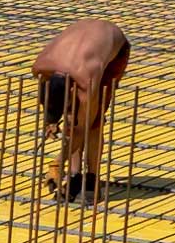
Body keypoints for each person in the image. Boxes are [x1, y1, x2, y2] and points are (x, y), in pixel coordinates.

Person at [33, 17, 132, 203]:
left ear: (73, 89)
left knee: (92, 122)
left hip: (114, 51)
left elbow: (82, 127)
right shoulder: (41, 68)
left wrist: (56, 162)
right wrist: (51, 120)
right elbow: (49, 96)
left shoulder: (87, 79)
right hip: (83, 45)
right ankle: (74, 175)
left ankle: (92, 180)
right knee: (72, 119)